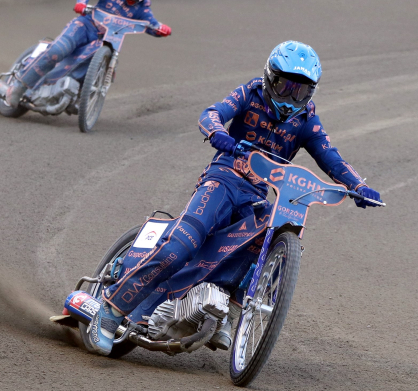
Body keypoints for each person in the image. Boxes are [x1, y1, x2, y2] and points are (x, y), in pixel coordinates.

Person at [85, 40, 382, 356]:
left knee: (269, 235)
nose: (291, 98)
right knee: (183, 244)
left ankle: (225, 309)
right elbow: (212, 113)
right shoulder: (249, 93)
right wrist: (218, 134)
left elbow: (330, 156)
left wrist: (358, 185)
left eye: (301, 91)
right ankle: (110, 310)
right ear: (270, 77)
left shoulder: (307, 119)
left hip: (256, 194)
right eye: (285, 86)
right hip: (223, 179)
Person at [4, 0, 171, 108]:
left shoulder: (143, 8)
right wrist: (82, 3)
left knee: (102, 66)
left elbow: (152, 25)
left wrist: (161, 29)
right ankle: (18, 86)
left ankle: (76, 96)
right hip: (84, 26)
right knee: (58, 50)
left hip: (104, 41)